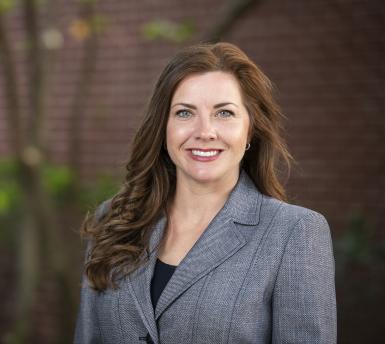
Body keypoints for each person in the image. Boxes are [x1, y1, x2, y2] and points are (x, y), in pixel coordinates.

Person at [74, 42, 336, 344]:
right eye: (185, 113)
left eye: (224, 113)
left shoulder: (294, 233)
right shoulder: (115, 220)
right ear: (164, 127)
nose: (205, 131)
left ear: (249, 130)